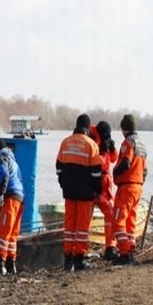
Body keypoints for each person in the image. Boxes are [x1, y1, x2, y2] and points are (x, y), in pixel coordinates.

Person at [56, 114, 102, 271]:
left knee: (69, 226)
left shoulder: (65, 142)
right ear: (88, 128)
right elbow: (96, 173)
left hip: (69, 192)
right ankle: (79, 259)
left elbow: (59, 168)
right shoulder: (91, 145)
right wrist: (98, 190)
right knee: (82, 227)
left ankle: (67, 260)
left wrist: (63, 185)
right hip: (85, 193)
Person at [112, 114, 147, 265]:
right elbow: (145, 170)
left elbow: (125, 162)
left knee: (118, 221)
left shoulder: (128, 143)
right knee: (130, 222)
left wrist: (114, 172)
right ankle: (130, 251)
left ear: (123, 128)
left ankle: (125, 253)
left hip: (126, 187)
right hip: (138, 187)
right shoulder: (142, 145)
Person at [0, 139, 24, 275]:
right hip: (19, 199)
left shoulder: (0, 158)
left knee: (4, 232)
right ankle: (10, 265)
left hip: (11, 198)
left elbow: (4, 176)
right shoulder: (12, 159)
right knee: (12, 234)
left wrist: (0, 195)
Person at [89, 121, 119, 260]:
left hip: (104, 183)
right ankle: (80, 251)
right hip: (93, 182)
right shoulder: (90, 138)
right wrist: (102, 152)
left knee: (110, 215)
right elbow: (92, 160)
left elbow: (113, 159)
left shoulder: (105, 139)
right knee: (85, 217)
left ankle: (110, 247)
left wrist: (112, 149)